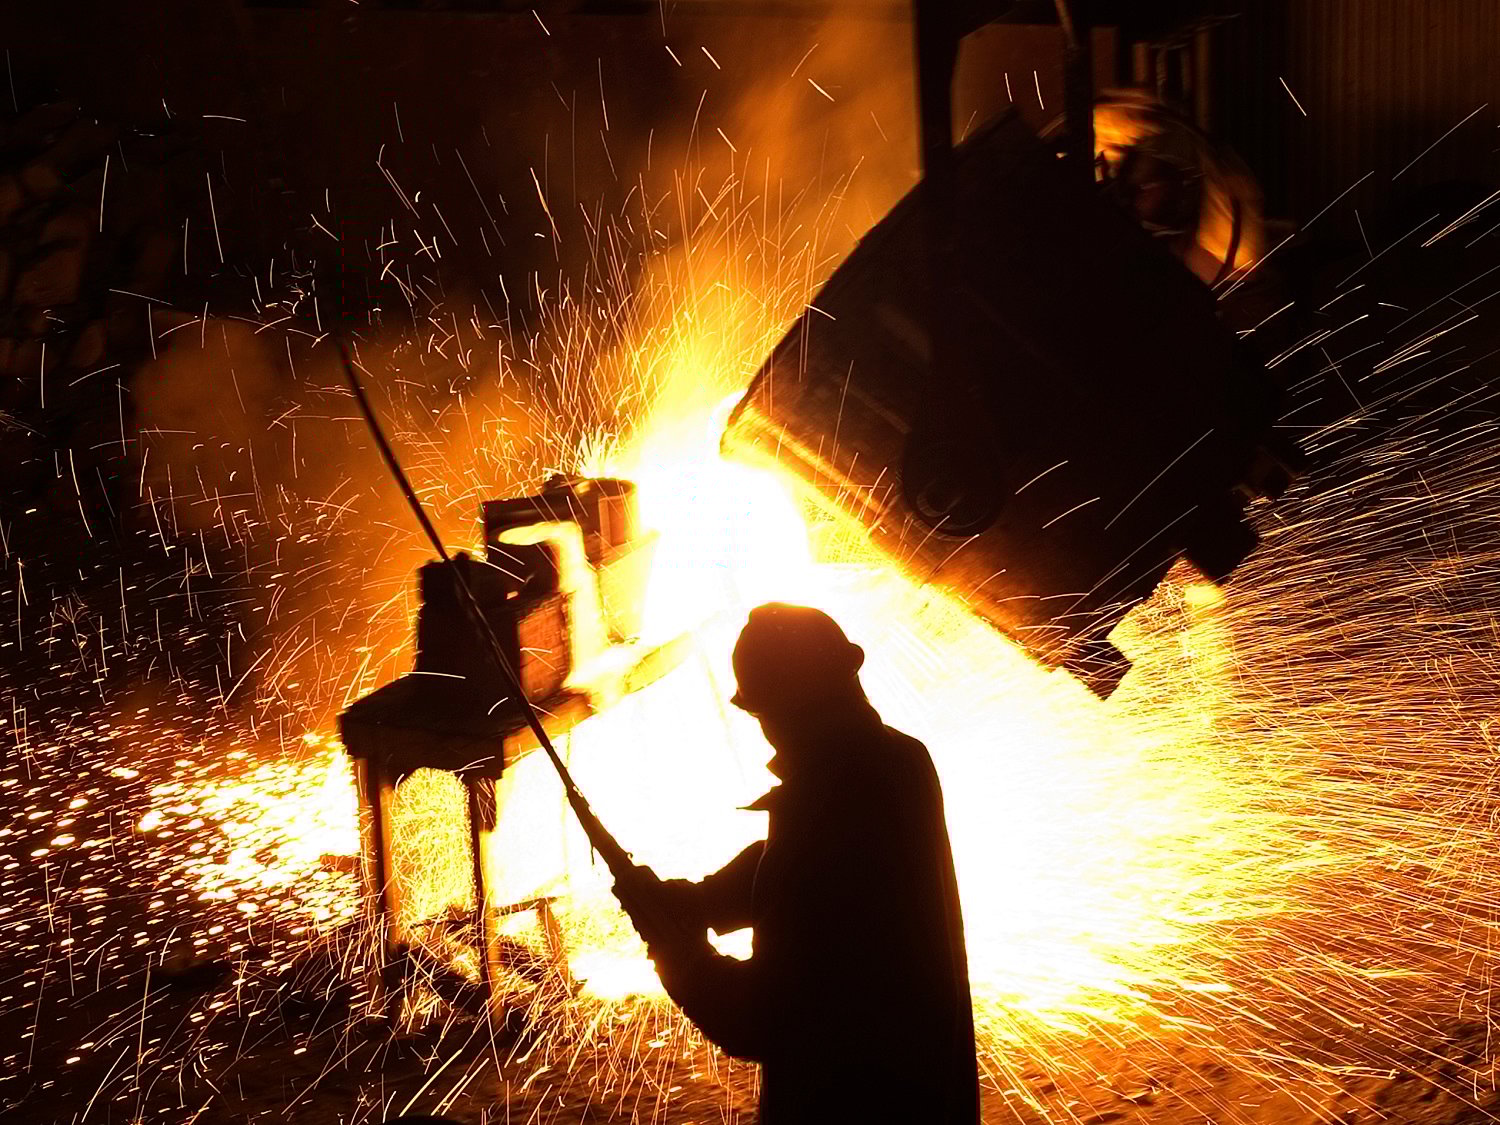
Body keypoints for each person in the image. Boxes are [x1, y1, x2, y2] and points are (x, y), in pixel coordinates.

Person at [613, 603, 979, 1124]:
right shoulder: (898, 762)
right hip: (928, 1093)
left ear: (786, 710)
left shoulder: (829, 805)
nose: (766, 730)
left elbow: (763, 1019)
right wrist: (703, 900)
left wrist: (679, 952)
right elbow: (789, 858)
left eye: (764, 712)